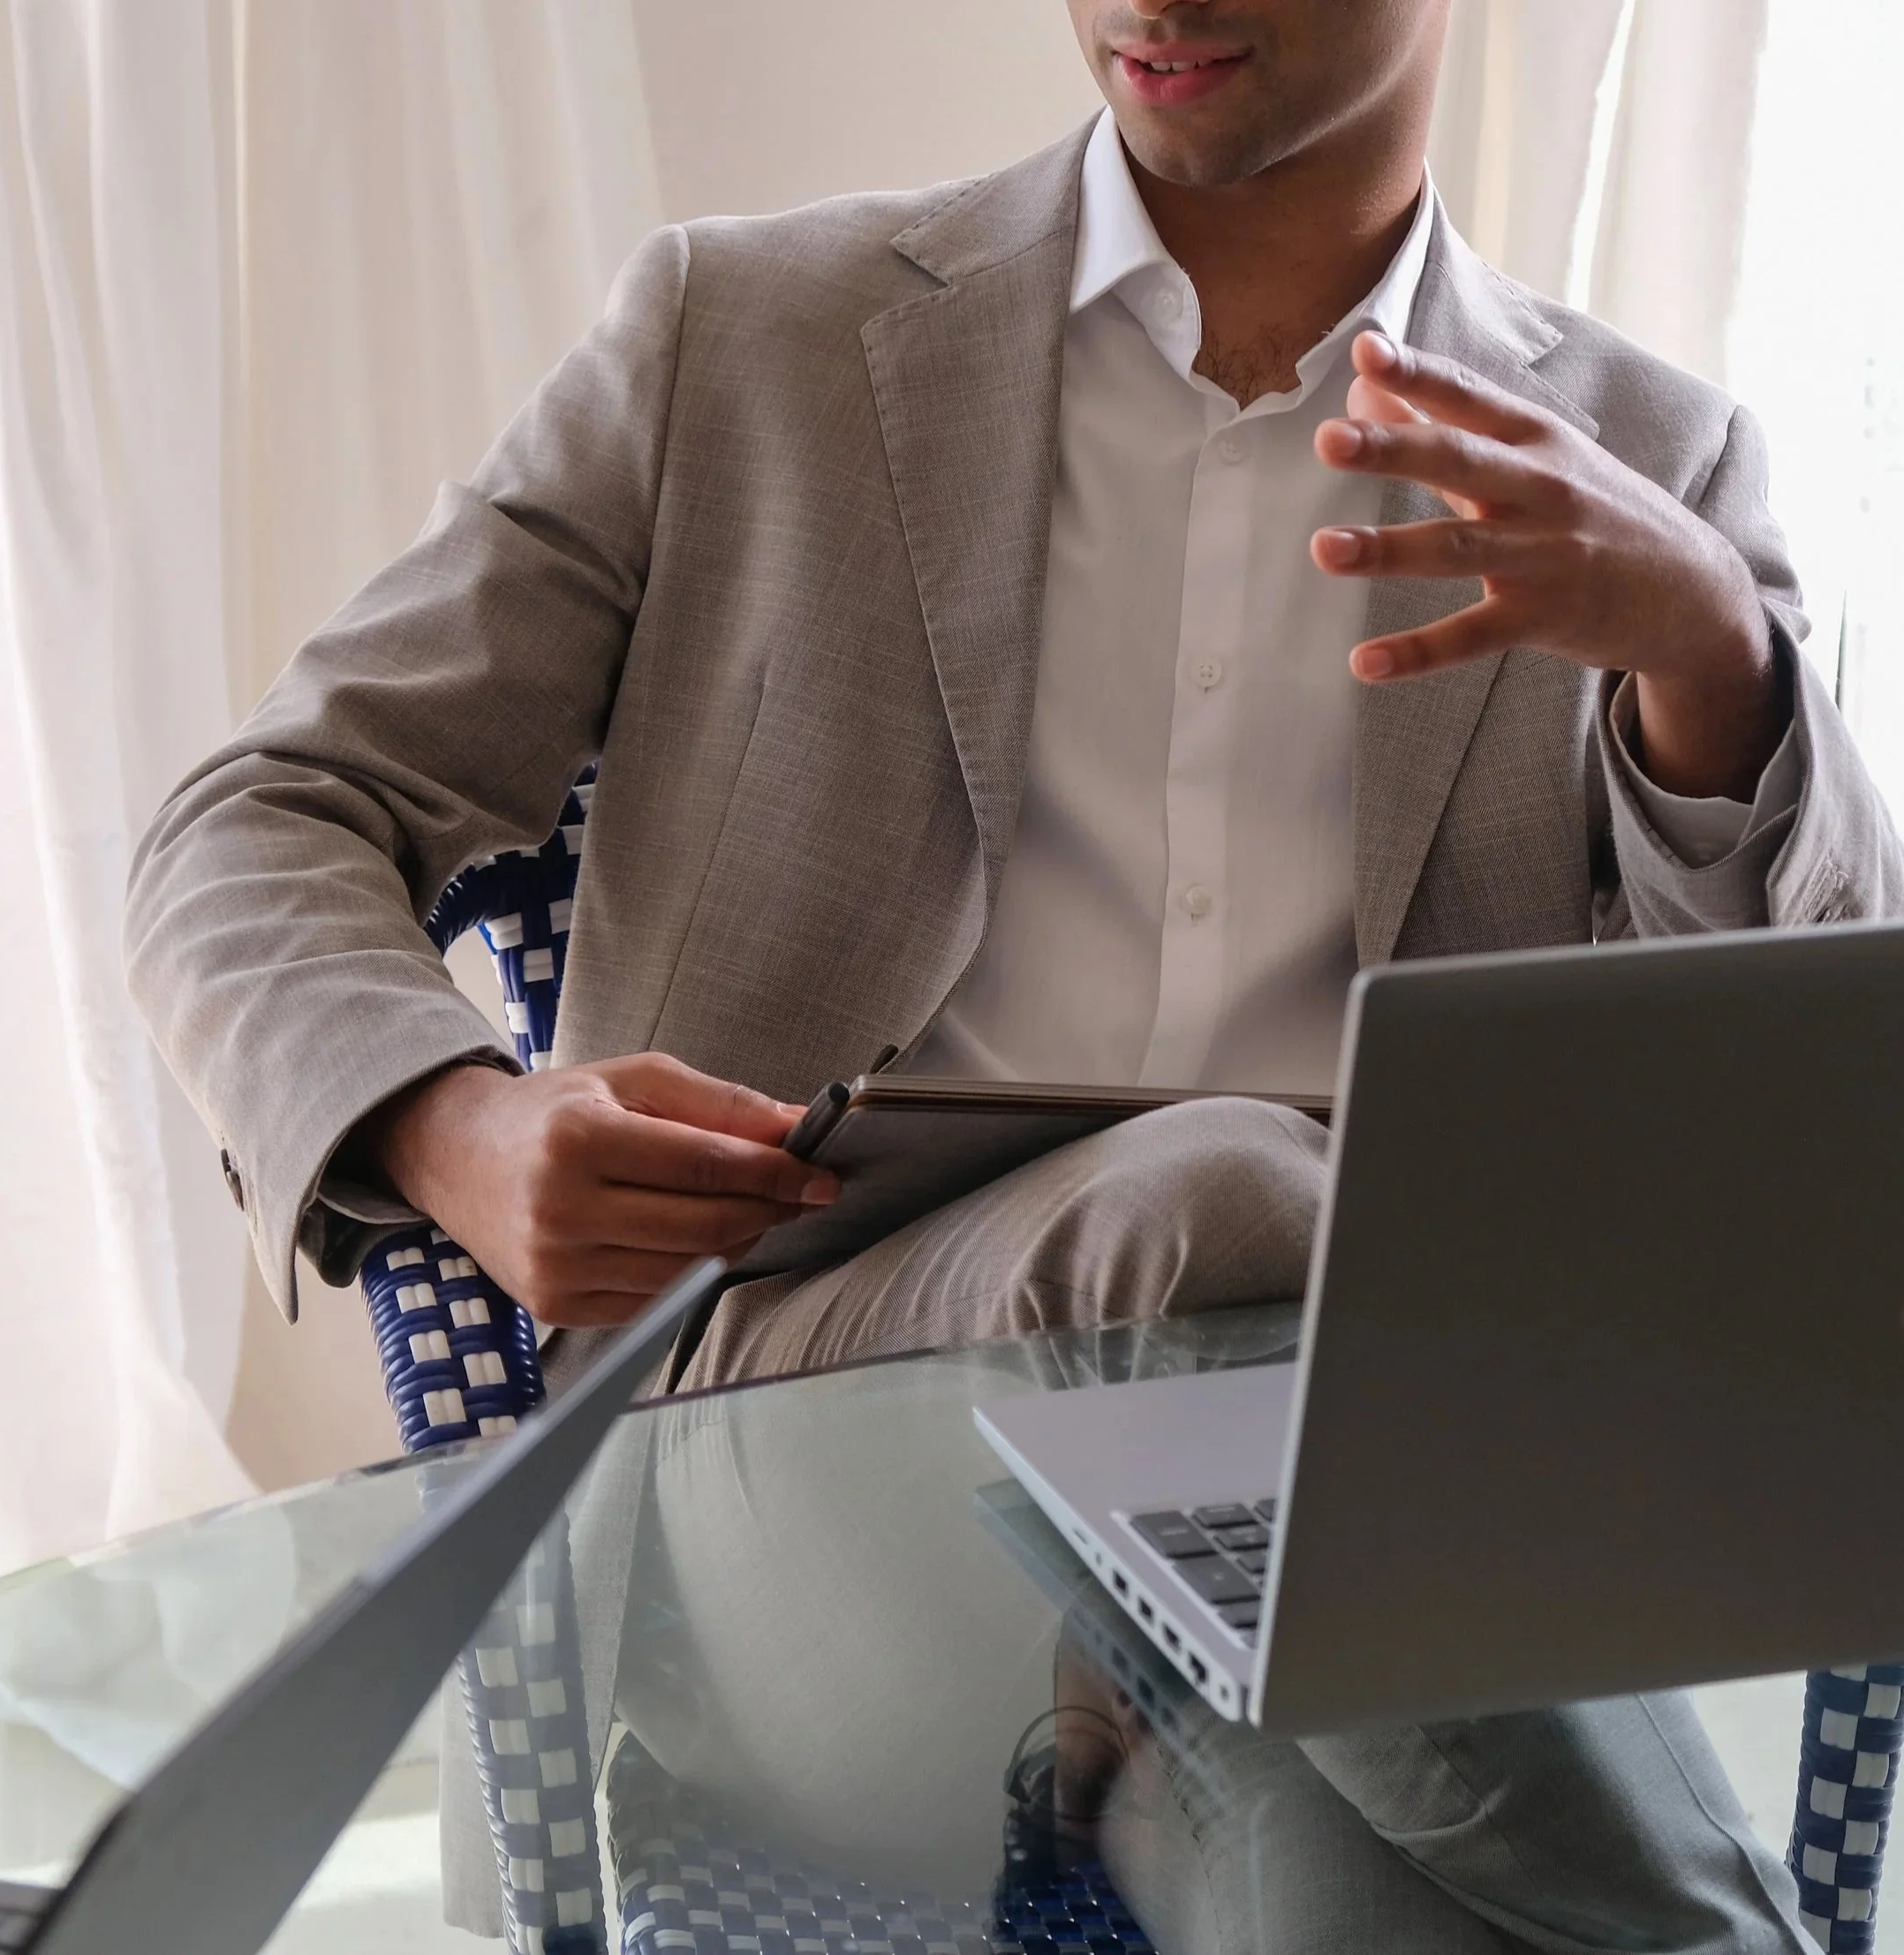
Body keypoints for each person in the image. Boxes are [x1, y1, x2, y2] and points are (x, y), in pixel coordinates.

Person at [128, 1, 1900, 1946]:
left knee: (1328, 1852)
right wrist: (450, 1121)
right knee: (1218, 1200)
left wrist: (1716, 668)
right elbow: (256, 818)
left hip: (1350, 1608)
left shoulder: (1647, 465)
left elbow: (1801, 1169)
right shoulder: (743, 339)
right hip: (799, 1504)